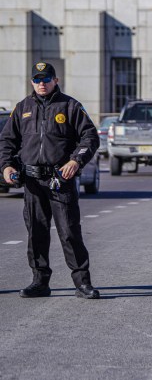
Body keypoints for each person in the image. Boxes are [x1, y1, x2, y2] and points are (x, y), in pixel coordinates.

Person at [0, 62, 101, 299]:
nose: (41, 84)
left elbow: (90, 137)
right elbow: (7, 141)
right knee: (36, 232)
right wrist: (6, 166)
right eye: (37, 80)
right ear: (31, 82)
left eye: (46, 79)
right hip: (33, 182)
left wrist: (75, 161)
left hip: (60, 181)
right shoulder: (22, 108)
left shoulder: (70, 106)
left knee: (69, 232)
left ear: (56, 80)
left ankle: (82, 283)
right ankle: (40, 282)